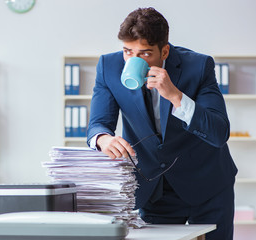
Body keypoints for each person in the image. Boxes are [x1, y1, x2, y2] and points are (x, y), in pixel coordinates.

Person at [87, 7, 237, 240]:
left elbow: (219, 132)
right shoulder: (109, 67)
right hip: (154, 188)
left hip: (208, 185)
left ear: (164, 51)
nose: (133, 60)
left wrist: (176, 96)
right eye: (127, 51)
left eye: (145, 54)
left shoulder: (198, 67)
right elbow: (98, 123)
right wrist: (103, 139)